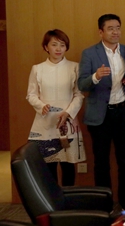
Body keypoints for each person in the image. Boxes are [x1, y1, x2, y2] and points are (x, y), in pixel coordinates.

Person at [78, 14, 125, 209]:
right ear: (101, 32)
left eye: (118, 27)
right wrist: (95, 76)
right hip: (100, 115)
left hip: (123, 111)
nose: (115, 32)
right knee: (101, 162)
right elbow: (81, 84)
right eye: (110, 28)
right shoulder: (89, 53)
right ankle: (105, 206)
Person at [26, 29, 85, 186]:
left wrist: (68, 112)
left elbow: (79, 95)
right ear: (46, 47)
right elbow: (31, 95)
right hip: (45, 123)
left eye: (62, 45)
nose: (58, 49)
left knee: (68, 165)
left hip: (67, 121)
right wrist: (41, 106)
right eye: (54, 45)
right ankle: (52, 199)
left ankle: (68, 198)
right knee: (48, 166)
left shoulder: (74, 67)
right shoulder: (37, 69)